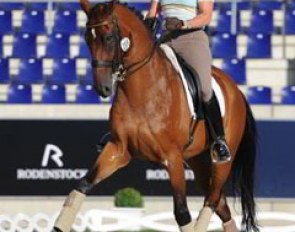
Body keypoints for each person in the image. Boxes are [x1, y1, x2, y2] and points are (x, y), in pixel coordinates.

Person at [145, 0, 231, 163]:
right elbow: (152, 12)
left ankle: (219, 140)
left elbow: (206, 16)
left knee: (205, 88)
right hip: (165, 39)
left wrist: (183, 24)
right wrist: (147, 24)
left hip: (191, 39)